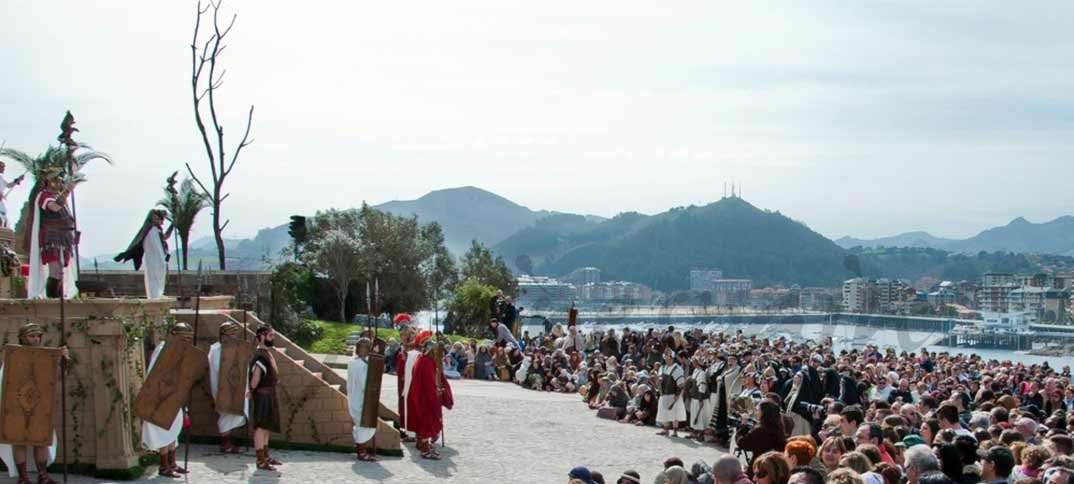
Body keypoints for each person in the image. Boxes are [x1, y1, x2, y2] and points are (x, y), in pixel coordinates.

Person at [0, 323, 68, 484]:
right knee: (19, 442)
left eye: (38, 336)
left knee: (41, 440)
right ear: (23, 337)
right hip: (17, 406)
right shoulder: (14, 355)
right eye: (32, 336)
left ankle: (43, 476)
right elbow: (5, 381)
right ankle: (23, 478)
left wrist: (64, 359)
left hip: (39, 406)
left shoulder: (46, 356)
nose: (36, 339)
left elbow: (58, 377)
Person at [142, 323, 193, 478]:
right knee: (164, 430)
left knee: (174, 429)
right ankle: (164, 466)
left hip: (174, 397)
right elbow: (157, 375)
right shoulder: (163, 350)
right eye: (183, 337)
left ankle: (172, 463)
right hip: (163, 397)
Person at [26, 168, 77, 299]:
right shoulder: (44, 196)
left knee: (61, 272)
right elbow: (54, 207)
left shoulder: (58, 196)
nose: (60, 183)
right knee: (55, 271)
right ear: (50, 181)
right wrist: (67, 191)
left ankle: (59, 300)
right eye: (58, 180)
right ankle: (53, 300)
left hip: (64, 238)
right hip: (52, 237)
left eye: (61, 181)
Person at [404, 330, 454, 460]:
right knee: (427, 422)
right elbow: (428, 384)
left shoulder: (423, 360)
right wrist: (436, 393)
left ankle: (426, 446)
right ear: (429, 350)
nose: (435, 353)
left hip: (422, 397)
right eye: (434, 350)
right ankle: (425, 450)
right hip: (426, 398)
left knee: (426, 422)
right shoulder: (425, 363)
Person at [207, 322, 246, 454]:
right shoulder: (216, 350)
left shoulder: (232, 348)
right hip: (223, 387)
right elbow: (220, 369)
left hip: (233, 386)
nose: (233, 338)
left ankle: (227, 443)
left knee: (233, 412)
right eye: (231, 335)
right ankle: (225, 444)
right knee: (226, 412)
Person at [114, 209, 172, 298]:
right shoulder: (152, 230)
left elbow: (164, 238)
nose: (160, 221)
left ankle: (156, 296)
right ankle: (155, 297)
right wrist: (162, 260)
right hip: (154, 261)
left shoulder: (155, 230)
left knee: (155, 279)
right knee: (153, 280)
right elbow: (157, 248)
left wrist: (172, 226)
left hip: (155, 261)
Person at [249, 324, 282, 471]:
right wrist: (251, 389)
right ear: (261, 337)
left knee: (266, 427)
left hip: (269, 395)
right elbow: (256, 377)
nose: (273, 338)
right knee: (260, 428)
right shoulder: (260, 355)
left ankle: (266, 456)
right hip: (262, 396)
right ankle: (260, 460)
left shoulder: (266, 353)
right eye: (270, 335)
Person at [347, 337, 379, 462]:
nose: (366, 350)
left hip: (357, 398)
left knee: (361, 425)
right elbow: (364, 384)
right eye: (365, 347)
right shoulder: (360, 365)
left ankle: (362, 450)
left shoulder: (354, 362)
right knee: (363, 426)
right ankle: (362, 452)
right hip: (361, 399)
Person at [656, 349, 687, 437]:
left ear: (672, 358)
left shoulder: (677, 368)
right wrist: (659, 382)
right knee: (664, 412)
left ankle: (675, 431)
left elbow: (680, 384)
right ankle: (665, 430)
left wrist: (677, 395)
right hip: (664, 393)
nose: (667, 360)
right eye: (665, 358)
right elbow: (658, 380)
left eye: (669, 358)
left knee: (675, 412)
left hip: (673, 394)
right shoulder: (662, 368)